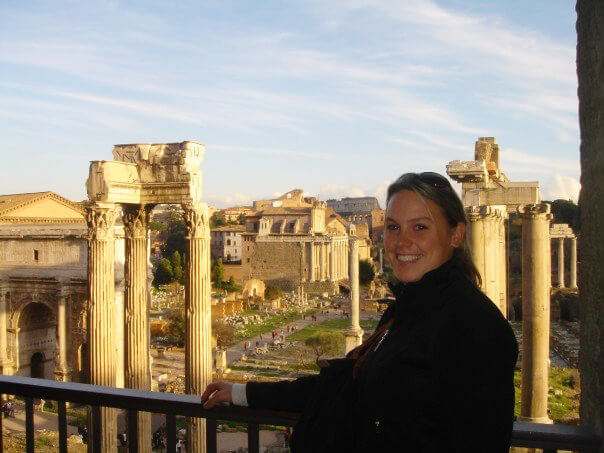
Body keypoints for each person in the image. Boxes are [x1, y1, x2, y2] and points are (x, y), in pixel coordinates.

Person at [202, 172, 518, 452]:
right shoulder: (402, 314)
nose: (401, 241)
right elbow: (341, 387)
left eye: (420, 227)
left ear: (456, 235)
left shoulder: (477, 327)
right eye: (393, 227)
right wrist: (242, 393)